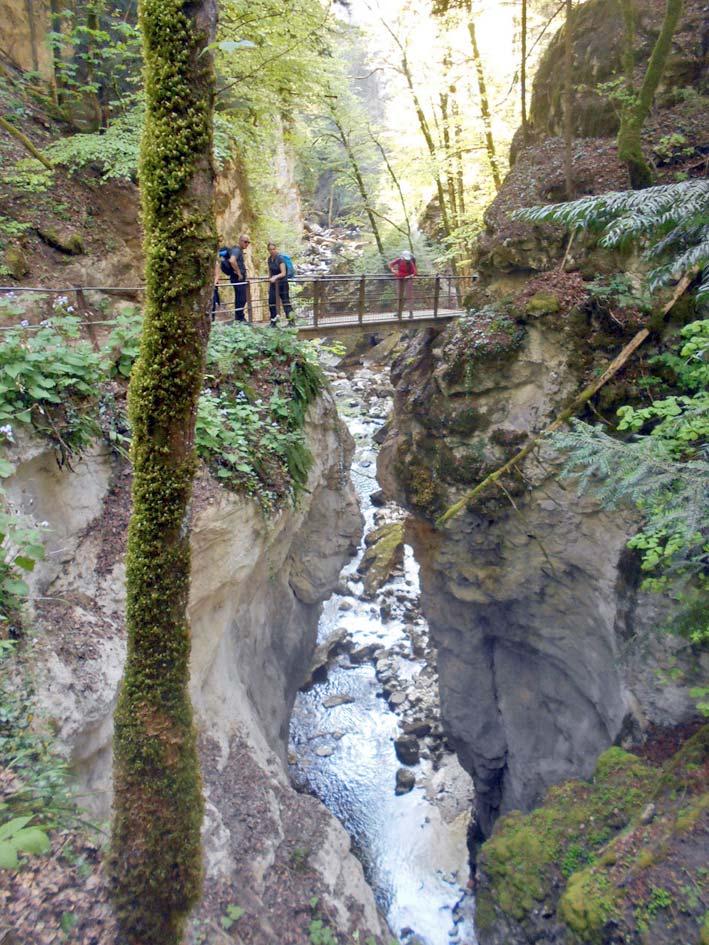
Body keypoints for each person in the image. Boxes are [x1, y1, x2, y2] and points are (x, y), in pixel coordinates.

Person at [267, 241, 293, 326]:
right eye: (270, 249)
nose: (272, 251)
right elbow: (270, 271)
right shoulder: (269, 259)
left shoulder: (280, 258)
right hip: (273, 285)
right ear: (268, 250)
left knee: (285, 302)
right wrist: (270, 278)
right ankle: (273, 322)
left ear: (276, 249)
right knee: (271, 302)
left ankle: (291, 321)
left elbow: (283, 273)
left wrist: (275, 277)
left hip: (283, 284)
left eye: (273, 249)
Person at [228, 234, 250, 323]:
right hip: (238, 278)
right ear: (240, 241)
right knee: (242, 298)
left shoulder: (237, 250)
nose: (247, 244)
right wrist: (239, 273)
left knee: (239, 298)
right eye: (245, 242)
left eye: (248, 242)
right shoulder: (237, 250)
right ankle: (240, 318)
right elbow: (232, 260)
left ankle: (238, 318)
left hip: (237, 278)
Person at [388, 250, 417, 316]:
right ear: (402, 257)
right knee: (399, 295)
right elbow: (390, 264)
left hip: (408, 279)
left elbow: (414, 272)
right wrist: (393, 271)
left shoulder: (410, 262)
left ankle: (410, 312)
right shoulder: (399, 260)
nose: (406, 259)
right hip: (399, 278)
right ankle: (399, 312)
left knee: (409, 295)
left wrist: (409, 276)